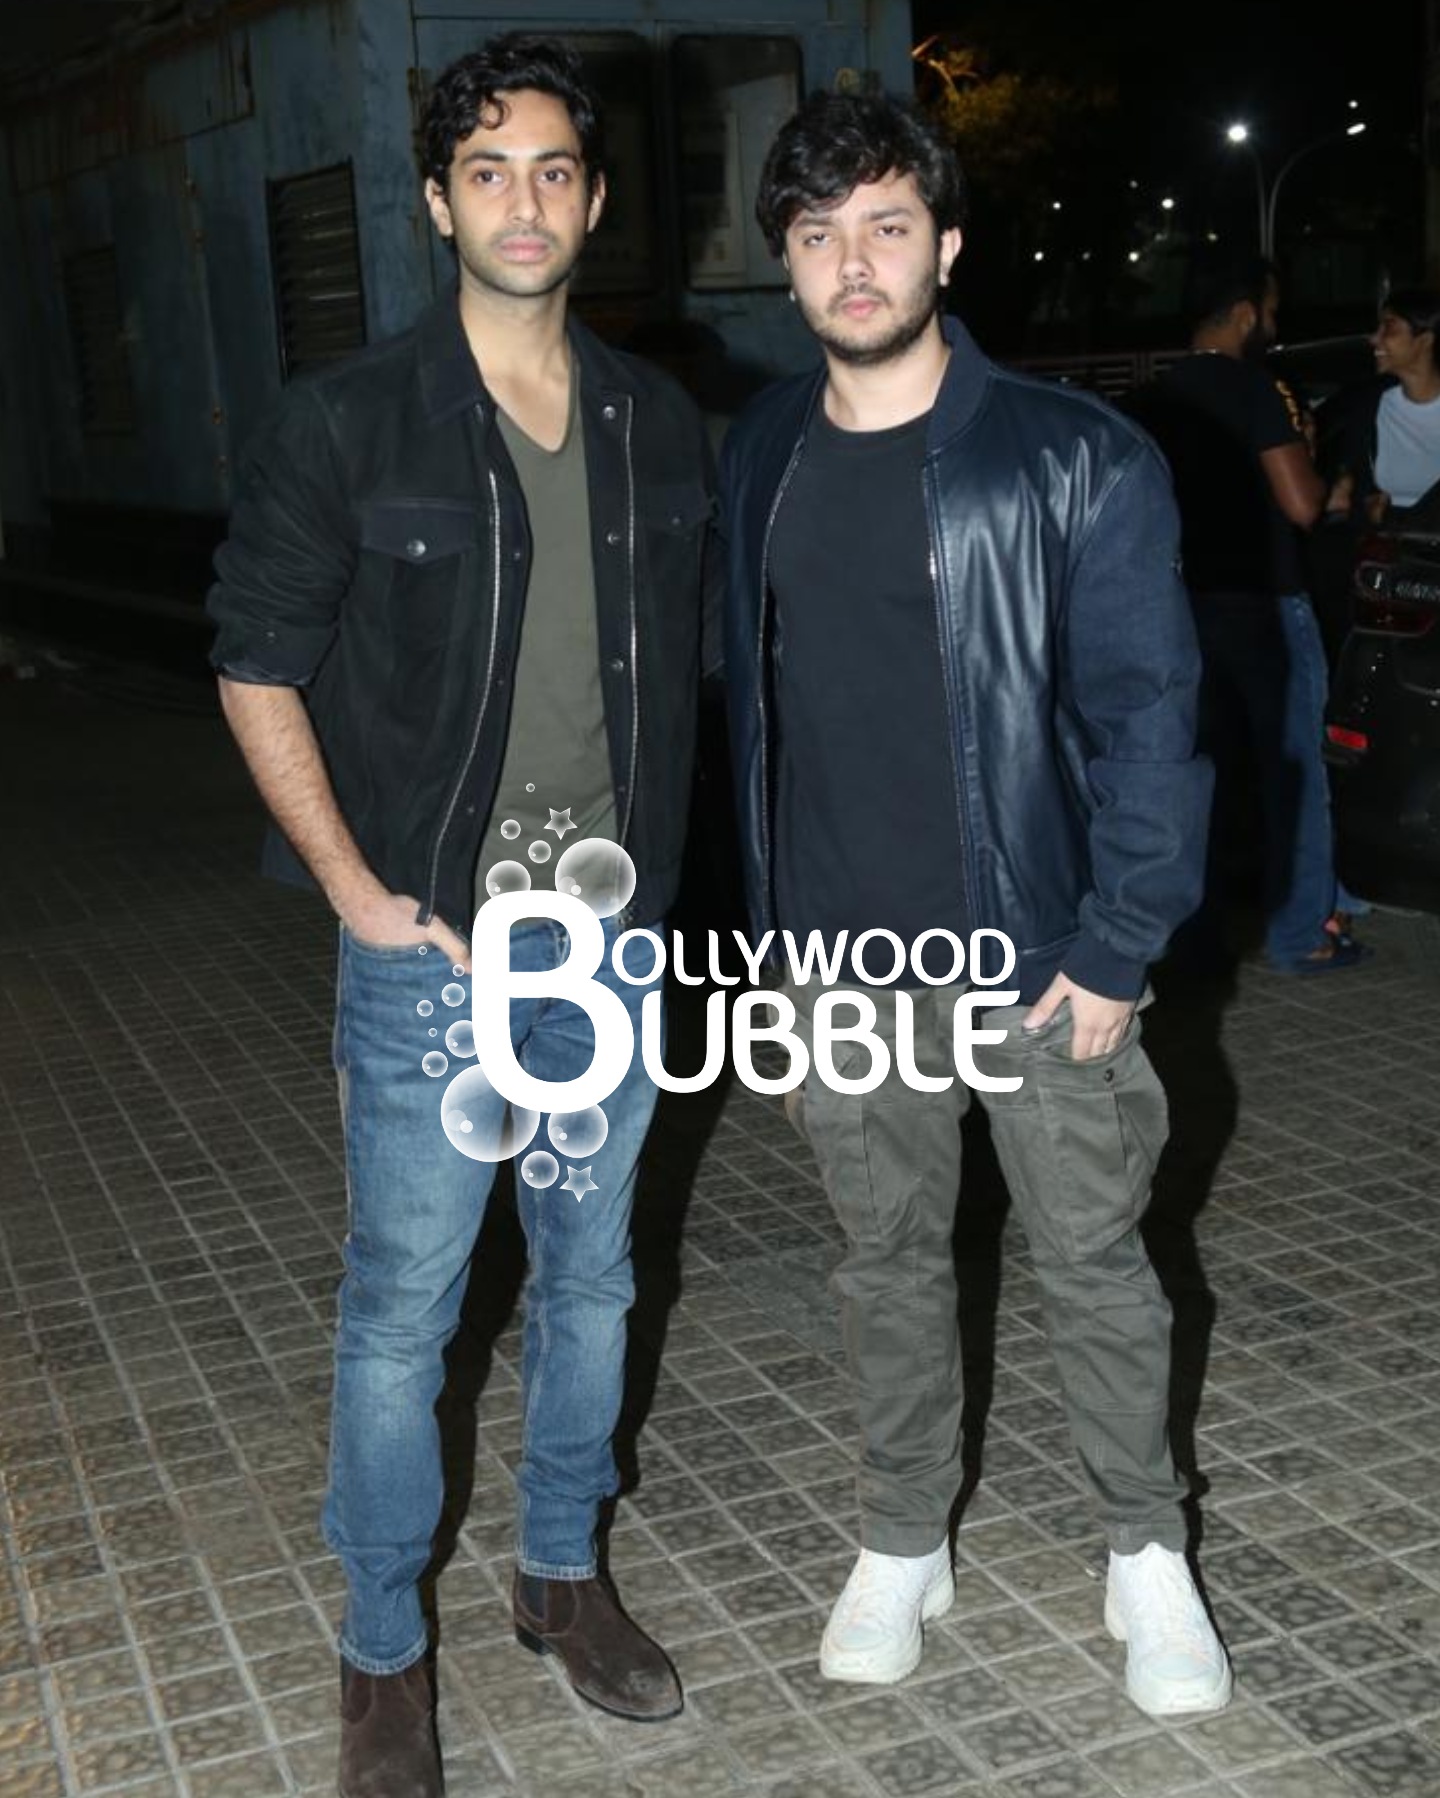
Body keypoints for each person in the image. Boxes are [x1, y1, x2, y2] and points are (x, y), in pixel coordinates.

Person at [208, 34, 714, 1795]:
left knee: (593, 1280)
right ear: (437, 202)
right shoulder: (349, 420)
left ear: (593, 199)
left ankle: (563, 1575)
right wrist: (357, 894)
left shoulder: (660, 421)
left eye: (556, 169)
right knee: (405, 1304)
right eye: (488, 170)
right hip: (440, 952)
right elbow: (256, 660)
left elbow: (698, 679)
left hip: (613, 944)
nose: (525, 199)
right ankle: (379, 1647)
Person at [718, 91, 1231, 1720]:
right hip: (842, 957)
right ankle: (898, 1534)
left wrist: (1117, 941)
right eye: (817, 236)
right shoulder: (763, 456)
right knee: (882, 1256)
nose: (852, 264)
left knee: (1092, 1254)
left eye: (884, 227)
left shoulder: (1076, 456)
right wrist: (782, 965)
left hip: (1039, 950)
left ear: (945, 243)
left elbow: (1152, 713)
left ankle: (1145, 1548)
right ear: (787, 269)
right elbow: (756, 718)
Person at [1134, 259, 1367, 973]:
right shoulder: (1258, 387)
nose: (1274, 325)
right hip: (1265, 604)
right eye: (1269, 312)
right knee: (1292, 769)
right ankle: (1302, 934)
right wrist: (1341, 494)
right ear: (1242, 315)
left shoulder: (1152, 397)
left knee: (1196, 773)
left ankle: (1195, 943)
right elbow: (1300, 503)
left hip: (1179, 607)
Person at [1328, 287, 1440, 522]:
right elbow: (1352, 482)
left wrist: (1393, 516)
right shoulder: (1368, 405)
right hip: (1387, 553)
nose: (1374, 339)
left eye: (1389, 327)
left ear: (1425, 340)